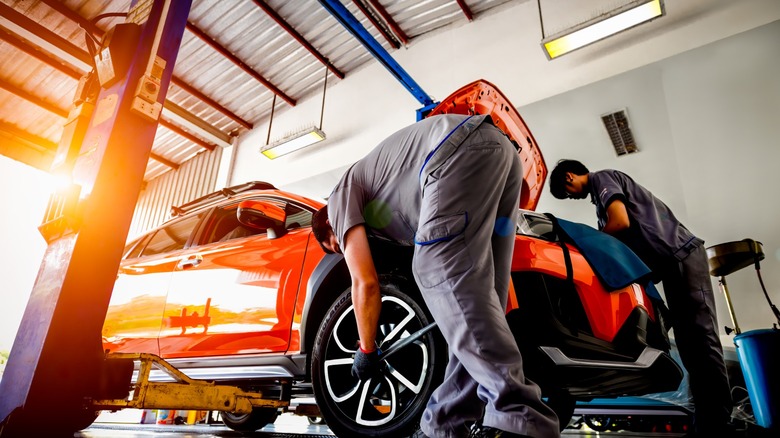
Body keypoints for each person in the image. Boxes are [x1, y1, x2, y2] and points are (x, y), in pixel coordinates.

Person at [311, 114, 560, 438]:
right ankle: (445, 421)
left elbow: (365, 282)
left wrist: (367, 349)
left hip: (459, 151)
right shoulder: (384, 196)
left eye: (335, 246)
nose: (343, 248)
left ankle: (519, 415)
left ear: (328, 229)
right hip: (503, 159)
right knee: (475, 301)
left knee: (435, 266)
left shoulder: (337, 201)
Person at [548, 159, 733, 437]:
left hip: (680, 254)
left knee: (701, 337)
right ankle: (707, 421)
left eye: (568, 192)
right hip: (669, 265)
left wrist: (586, 242)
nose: (572, 197)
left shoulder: (602, 178)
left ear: (569, 176)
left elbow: (620, 223)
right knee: (689, 342)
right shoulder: (600, 203)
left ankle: (718, 422)